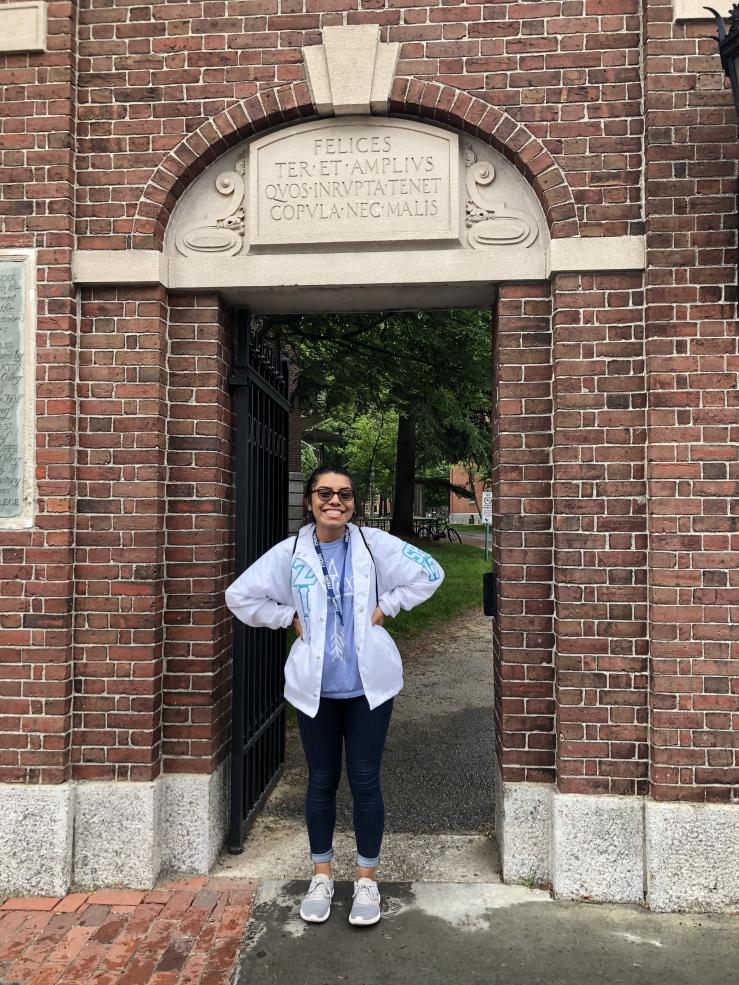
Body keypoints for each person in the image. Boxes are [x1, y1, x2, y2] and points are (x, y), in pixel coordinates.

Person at [225, 465, 444, 927]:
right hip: (316, 691)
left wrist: (390, 606)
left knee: (365, 780)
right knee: (321, 781)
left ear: (353, 502)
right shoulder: (290, 553)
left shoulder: (370, 544)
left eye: (344, 494)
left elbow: (431, 570)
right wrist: (287, 618)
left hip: (369, 689)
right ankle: (321, 874)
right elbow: (240, 596)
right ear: (309, 501)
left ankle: (366, 879)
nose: (335, 501)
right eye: (325, 493)